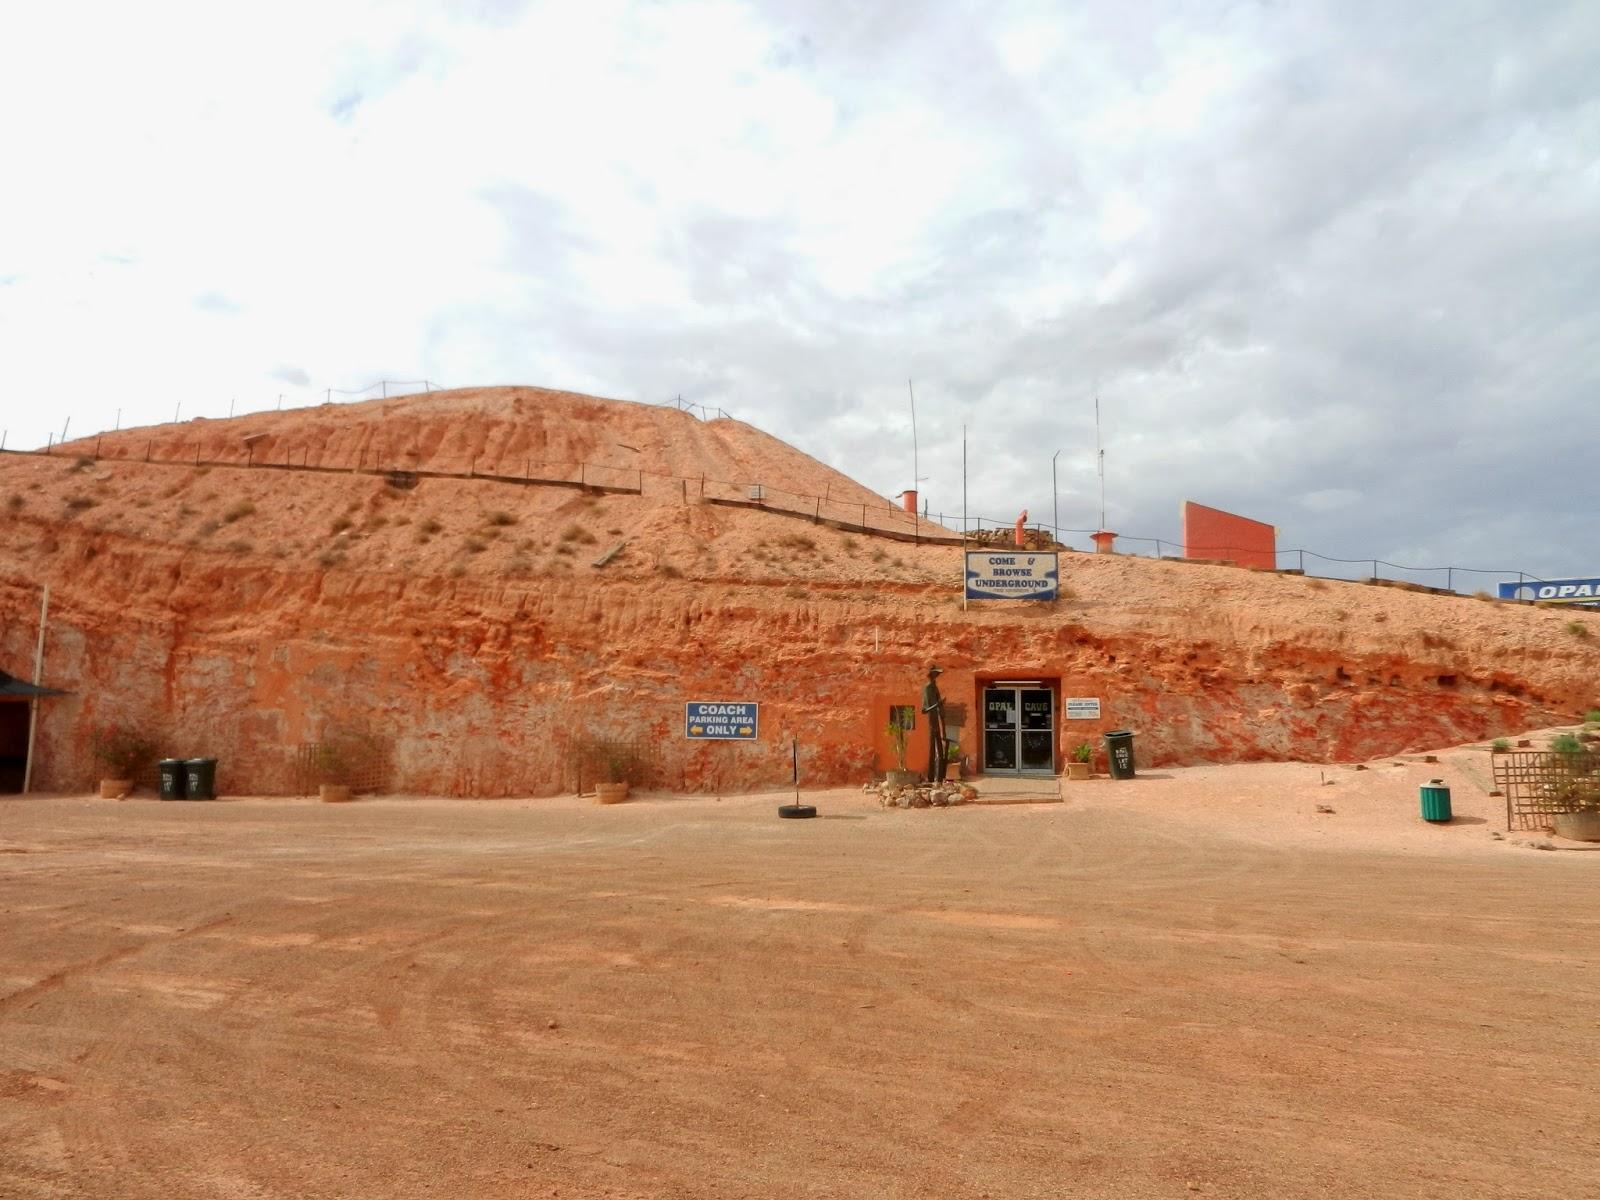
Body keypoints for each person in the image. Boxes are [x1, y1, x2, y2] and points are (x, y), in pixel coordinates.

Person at [922, 664, 947, 783]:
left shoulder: (935, 687)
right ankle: (931, 777)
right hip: (932, 720)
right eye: (936, 673)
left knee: (940, 748)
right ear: (932, 674)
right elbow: (925, 709)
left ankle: (940, 777)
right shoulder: (927, 688)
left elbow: (939, 707)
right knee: (932, 749)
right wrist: (938, 704)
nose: (937, 675)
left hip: (937, 720)